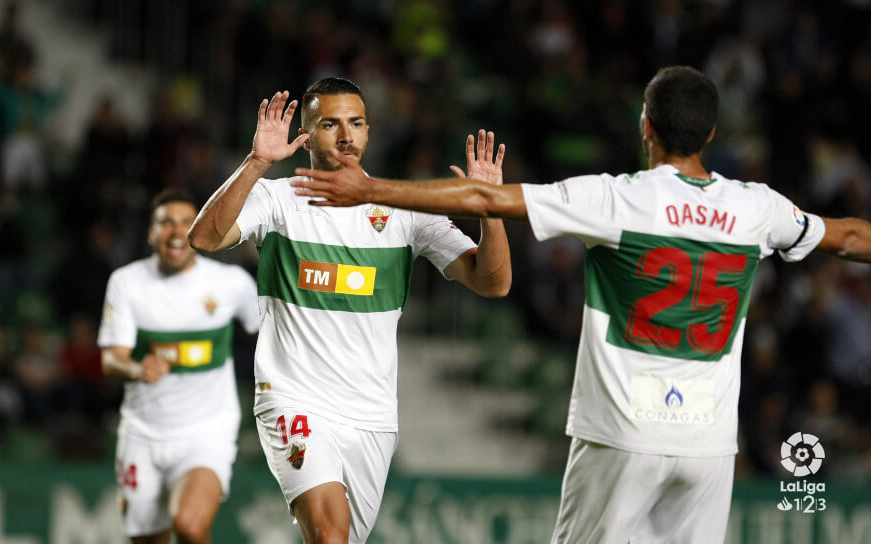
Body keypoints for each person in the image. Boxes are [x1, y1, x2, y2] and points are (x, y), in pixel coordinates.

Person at [290, 66, 871, 543]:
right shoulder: (757, 208)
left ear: (646, 126)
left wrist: (370, 190)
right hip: (710, 443)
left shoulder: (615, 199)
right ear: (713, 133)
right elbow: (846, 237)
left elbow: (481, 194)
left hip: (622, 434)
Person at [187, 77, 511, 543]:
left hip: (372, 417)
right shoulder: (278, 201)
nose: (345, 136)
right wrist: (257, 162)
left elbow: (493, 282)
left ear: (369, 130)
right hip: (293, 400)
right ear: (307, 135)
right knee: (329, 535)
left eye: (356, 123)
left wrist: (490, 210)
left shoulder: (406, 210)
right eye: (329, 124)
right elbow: (204, 237)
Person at [98, 189, 259, 544]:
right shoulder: (126, 283)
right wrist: (138, 369)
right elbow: (111, 360)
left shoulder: (231, 283)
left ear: (199, 228)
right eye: (166, 223)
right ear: (151, 234)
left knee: (187, 524)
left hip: (206, 432)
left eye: (187, 223)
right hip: (142, 434)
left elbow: (270, 334)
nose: (176, 232)